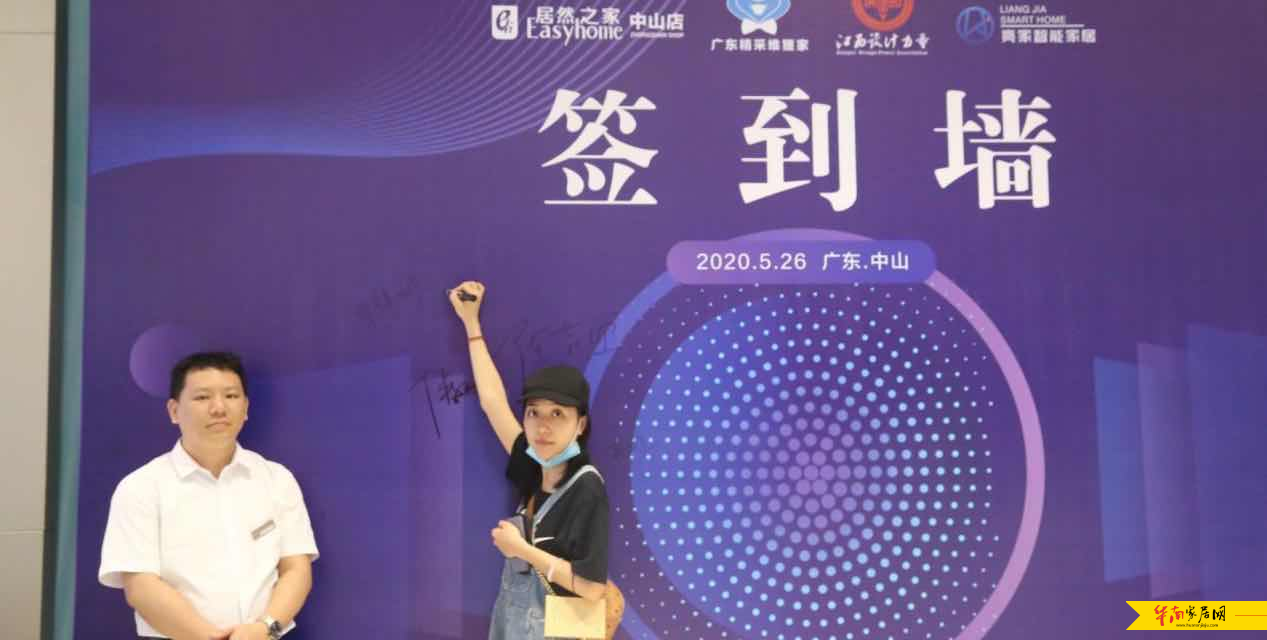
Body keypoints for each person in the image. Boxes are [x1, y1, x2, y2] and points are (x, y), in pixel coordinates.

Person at [99, 352, 319, 640]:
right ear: (174, 411)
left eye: (231, 396)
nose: (219, 408)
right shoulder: (141, 487)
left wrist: (266, 628)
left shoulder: (276, 479)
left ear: (246, 407)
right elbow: (141, 586)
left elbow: (296, 569)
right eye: (202, 397)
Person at [448, 280, 611, 640]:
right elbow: (493, 404)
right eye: (534, 412)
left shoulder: (586, 488)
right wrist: (471, 324)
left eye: (558, 414)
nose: (543, 426)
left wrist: (522, 550)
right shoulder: (535, 466)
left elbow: (592, 587)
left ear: (580, 425)